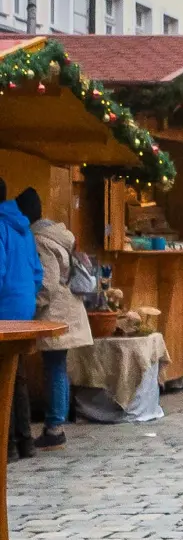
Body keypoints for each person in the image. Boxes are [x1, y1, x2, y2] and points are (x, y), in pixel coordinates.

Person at [15, 187, 93, 452]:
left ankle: (54, 428)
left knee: (55, 367)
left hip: (56, 311)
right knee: (58, 367)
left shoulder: (39, 240)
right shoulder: (59, 234)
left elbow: (46, 283)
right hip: (69, 307)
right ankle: (57, 421)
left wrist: (30, 307)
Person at [0, 178, 42, 462]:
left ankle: (8, 444)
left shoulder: (1, 225)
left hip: (3, 306)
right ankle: (25, 440)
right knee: (19, 374)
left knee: (3, 375)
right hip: (25, 304)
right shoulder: (25, 229)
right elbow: (38, 272)